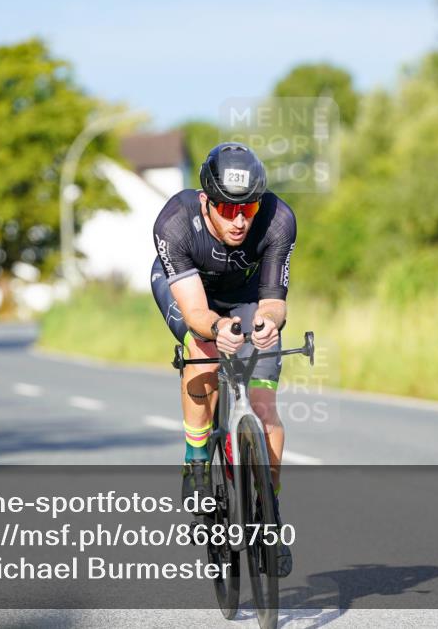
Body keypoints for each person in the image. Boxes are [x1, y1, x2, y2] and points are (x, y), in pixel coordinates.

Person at [151, 142, 296, 575]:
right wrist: (216, 328)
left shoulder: (277, 220)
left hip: (248, 296)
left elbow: (274, 300)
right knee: (204, 351)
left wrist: (269, 323)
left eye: (248, 208)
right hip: (192, 294)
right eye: (228, 209)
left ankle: (267, 514)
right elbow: (197, 313)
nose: (239, 219)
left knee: (266, 406)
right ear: (206, 202)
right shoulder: (175, 224)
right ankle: (196, 458)